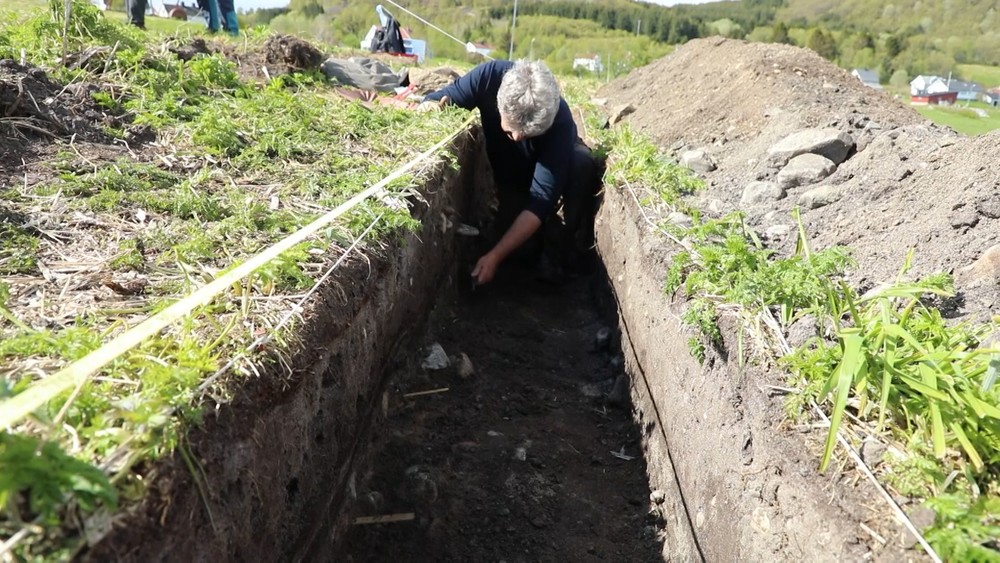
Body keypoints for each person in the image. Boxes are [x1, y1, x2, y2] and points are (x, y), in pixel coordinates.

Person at [419, 60, 602, 286]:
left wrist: (494, 256)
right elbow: (438, 100)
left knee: (581, 164)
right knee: (520, 254)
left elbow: (540, 201)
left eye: (527, 133)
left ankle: (566, 245)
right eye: (512, 129)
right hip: (511, 177)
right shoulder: (487, 77)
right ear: (500, 102)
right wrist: (430, 107)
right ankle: (531, 234)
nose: (516, 138)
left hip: (552, 170)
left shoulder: (559, 121)